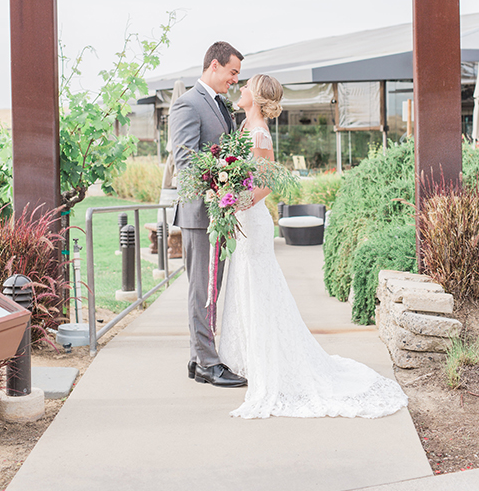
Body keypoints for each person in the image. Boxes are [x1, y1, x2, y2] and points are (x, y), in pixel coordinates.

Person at [219, 74, 409, 419]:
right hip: (242, 219)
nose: (241, 90)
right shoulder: (246, 128)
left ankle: (271, 367)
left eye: (246, 87)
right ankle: (253, 360)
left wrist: (235, 200)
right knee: (245, 286)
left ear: (257, 97)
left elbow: (265, 185)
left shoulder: (259, 132)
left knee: (259, 289)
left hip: (253, 219)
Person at [170, 41, 247, 388]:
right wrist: (217, 191)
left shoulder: (220, 105)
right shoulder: (187, 104)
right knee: (202, 290)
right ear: (214, 66)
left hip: (218, 212)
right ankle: (208, 363)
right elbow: (186, 163)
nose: (234, 80)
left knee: (209, 289)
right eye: (232, 73)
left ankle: (196, 358)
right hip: (200, 213)